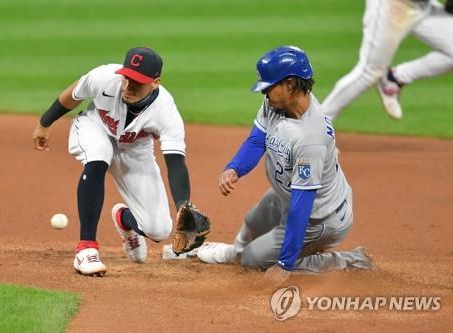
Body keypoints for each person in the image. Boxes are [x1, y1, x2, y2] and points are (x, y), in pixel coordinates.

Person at [197, 46, 373, 284]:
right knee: (252, 221)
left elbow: (303, 203)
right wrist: (235, 167)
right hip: (286, 195)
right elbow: (257, 138)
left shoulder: (311, 138)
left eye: (269, 87)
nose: (264, 93)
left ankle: (346, 260)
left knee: (254, 259)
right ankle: (234, 254)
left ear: (290, 84)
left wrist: (284, 264)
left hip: (319, 218)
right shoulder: (277, 103)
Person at [33, 47, 193, 277]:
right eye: (127, 78)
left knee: (159, 230)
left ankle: (124, 220)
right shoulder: (105, 77)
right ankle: (86, 249)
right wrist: (44, 123)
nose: (128, 86)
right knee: (98, 156)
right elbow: (73, 94)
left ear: (155, 82)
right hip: (93, 126)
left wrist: (182, 206)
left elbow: (176, 163)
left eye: (137, 82)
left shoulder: (166, 112)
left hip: (136, 150)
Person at [322, 0, 453, 121]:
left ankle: (394, 78)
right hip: (391, 5)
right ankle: (313, 130)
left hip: (423, 6)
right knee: (369, 72)